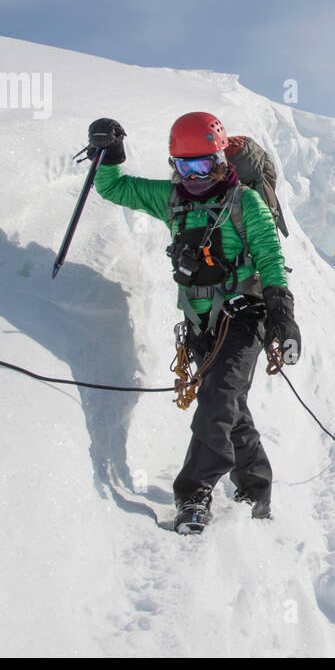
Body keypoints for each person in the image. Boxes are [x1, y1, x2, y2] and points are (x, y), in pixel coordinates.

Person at [85, 113, 301, 533]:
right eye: (185, 166)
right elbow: (113, 187)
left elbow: (271, 259)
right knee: (231, 406)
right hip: (200, 326)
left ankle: (195, 493)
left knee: (219, 396)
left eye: (203, 164)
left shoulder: (245, 203)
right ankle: (255, 488)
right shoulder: (171, 199)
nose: (194, 174)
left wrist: (283, 315)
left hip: (245, 316)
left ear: (221, 159)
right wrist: (110, 153)